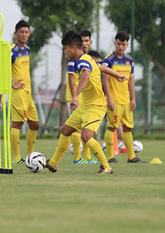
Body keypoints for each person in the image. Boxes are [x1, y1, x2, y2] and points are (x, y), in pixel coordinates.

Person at [45, 31, 126, 175]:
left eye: (66, 49)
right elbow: (101, 67)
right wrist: (117, 75)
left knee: (86, 136)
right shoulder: (87, 58)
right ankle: (53, 163)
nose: (65, 52)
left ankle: (106, 166)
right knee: (66, 130)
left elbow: (85, 76)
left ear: (73, 47)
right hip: (86, 105)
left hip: (96, 106)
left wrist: (75, 96)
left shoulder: (82, 61)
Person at [102, 32, 141, 163]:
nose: (120, 47)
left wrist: (133, 99)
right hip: (114, 100)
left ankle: (131, 157)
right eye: (118, 44)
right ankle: (110, 157)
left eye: (123, 44)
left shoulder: (129, 60)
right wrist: (109, 99)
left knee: (128, 128)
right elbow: (105, 80)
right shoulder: (108, 60)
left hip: (126, 100)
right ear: (115, 43)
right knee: (112, 127)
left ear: (127, 45)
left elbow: (131, 80)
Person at [10, 20, 40, 164]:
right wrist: (11, 84)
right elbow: (2, 69)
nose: (24, 34)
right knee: (17, 124)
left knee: (34, 125)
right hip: (18, 93)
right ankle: (16, 158)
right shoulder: (12, 51)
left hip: (28, 92)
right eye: (21, 32)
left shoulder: (27, 49)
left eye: (26, 32)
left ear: (29, 34)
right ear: (15, 33)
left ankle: (29, 156)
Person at [67, 30, 94, 164]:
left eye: (86, 41)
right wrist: (74, 97)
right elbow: (71, 79)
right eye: (82, 41)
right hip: (76, 95)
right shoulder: (73, 59)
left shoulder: (87, 58)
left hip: (85, 96)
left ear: (90, 42)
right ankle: (77, 157)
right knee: (77, 127)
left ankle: (87, 157)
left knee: (86, 126)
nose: (84, 43)